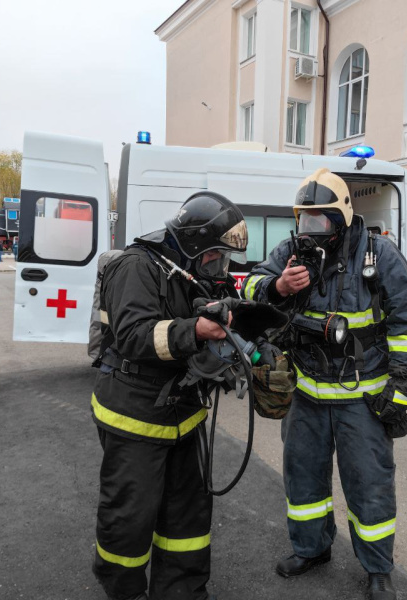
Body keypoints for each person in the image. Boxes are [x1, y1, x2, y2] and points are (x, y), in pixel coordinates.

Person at [242, 169, 407, 600]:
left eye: (320, 221)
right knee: (303, 478)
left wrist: (400, 389)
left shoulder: (378, 254)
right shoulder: (290, 252)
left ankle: (378, 570)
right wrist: (278, 285)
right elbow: (250, 284)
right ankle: (311, 549)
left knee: (369, 485)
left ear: (341, 217)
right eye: (303, 221)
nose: (310, 232)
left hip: (362, 399)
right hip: (306, 393)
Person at [91, 192, 247, 600]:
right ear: (193, 244)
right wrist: (194, 331)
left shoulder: (196, 271)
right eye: (215, 257)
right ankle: (124, 592)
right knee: (130, 516)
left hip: (184, 414)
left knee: (188, 517)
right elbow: (133, 336)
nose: (220, 269)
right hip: (134, 414)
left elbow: (226, 304)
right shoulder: (136, 266)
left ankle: (184, 591)